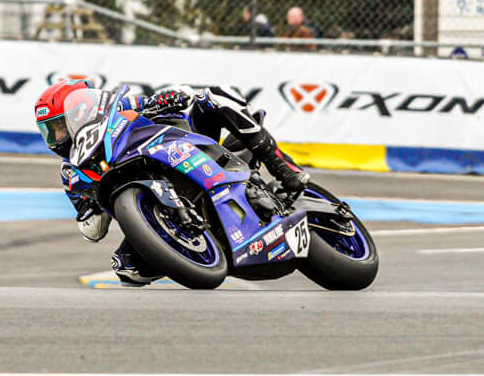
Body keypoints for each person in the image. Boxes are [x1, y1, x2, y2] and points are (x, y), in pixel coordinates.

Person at [34, 79, 308, 285]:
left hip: (179, 150)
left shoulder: (117, 109)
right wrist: (92, 203)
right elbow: (92, 231)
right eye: (49, 131)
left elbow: (166, 98)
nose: (55, 137)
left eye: (59, 127)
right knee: (127, 268)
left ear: (79, 113)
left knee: (212, 96)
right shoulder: (71, 174)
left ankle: (284, 167)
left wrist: (165, 99)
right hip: (154, 206)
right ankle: (197, 251)